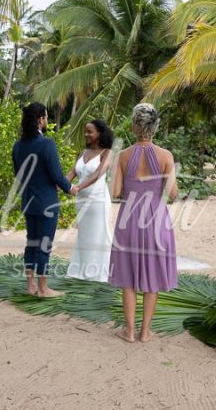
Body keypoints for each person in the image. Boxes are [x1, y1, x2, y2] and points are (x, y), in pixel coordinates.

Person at [109, 103, 178, 343]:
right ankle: (145, 332)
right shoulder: (166, 156)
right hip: (156, 220)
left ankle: (128, 331)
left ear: (133, 126)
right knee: (153, 276)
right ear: (156, 127)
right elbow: (172, 193)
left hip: (128, 220)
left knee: (127, 277)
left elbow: (116, 191)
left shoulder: (123, 156)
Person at [12, 102, 77, 298]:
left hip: (29, 201)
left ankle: (31, 286)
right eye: (46, 117)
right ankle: (43, 289)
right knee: (44, 245)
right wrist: (71, 188)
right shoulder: (46, 144)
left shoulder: (17, 146)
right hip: (47, 202)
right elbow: (57, 175)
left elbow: (19, 176)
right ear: (41, 120)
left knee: (31, 243)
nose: (47, 121)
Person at [66, 120, 114, 282]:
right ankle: (82, 271)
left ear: (99, 134)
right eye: (85, 131)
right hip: (81, 201)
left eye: (90, 132)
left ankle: (100, 274)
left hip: (98, 201)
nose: (86, 134)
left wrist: (78, 187)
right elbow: (71, 173)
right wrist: (60, 186)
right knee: (84, 235)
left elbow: (98, 174)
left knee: (100, 235)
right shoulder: (83, 153)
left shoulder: (107, 153)